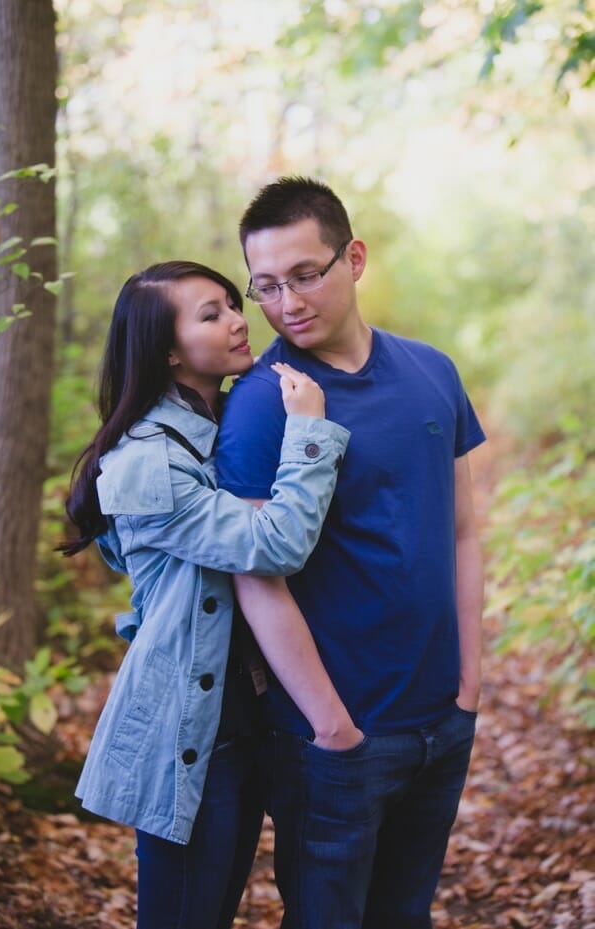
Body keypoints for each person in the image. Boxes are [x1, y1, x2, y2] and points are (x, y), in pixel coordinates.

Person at [214, 176, 485, 929]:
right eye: (265, 285)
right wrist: (331, 727)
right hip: (333, 742)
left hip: (442, 717)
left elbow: (461, 529)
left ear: (353, 258)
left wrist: (469, 682)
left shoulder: (433, 372)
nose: (287, 301)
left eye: (305, 274)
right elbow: (256, 578)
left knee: (405, 915)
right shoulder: (263, 404)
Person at [63, 260, 352, 929]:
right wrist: (309, 431)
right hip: (189, 733)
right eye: (209, 313)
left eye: (231, 303)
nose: (235, 319)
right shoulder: (149, 460)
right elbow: (273, 545)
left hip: (241, 721)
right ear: (168, 350)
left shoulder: (212, 430)